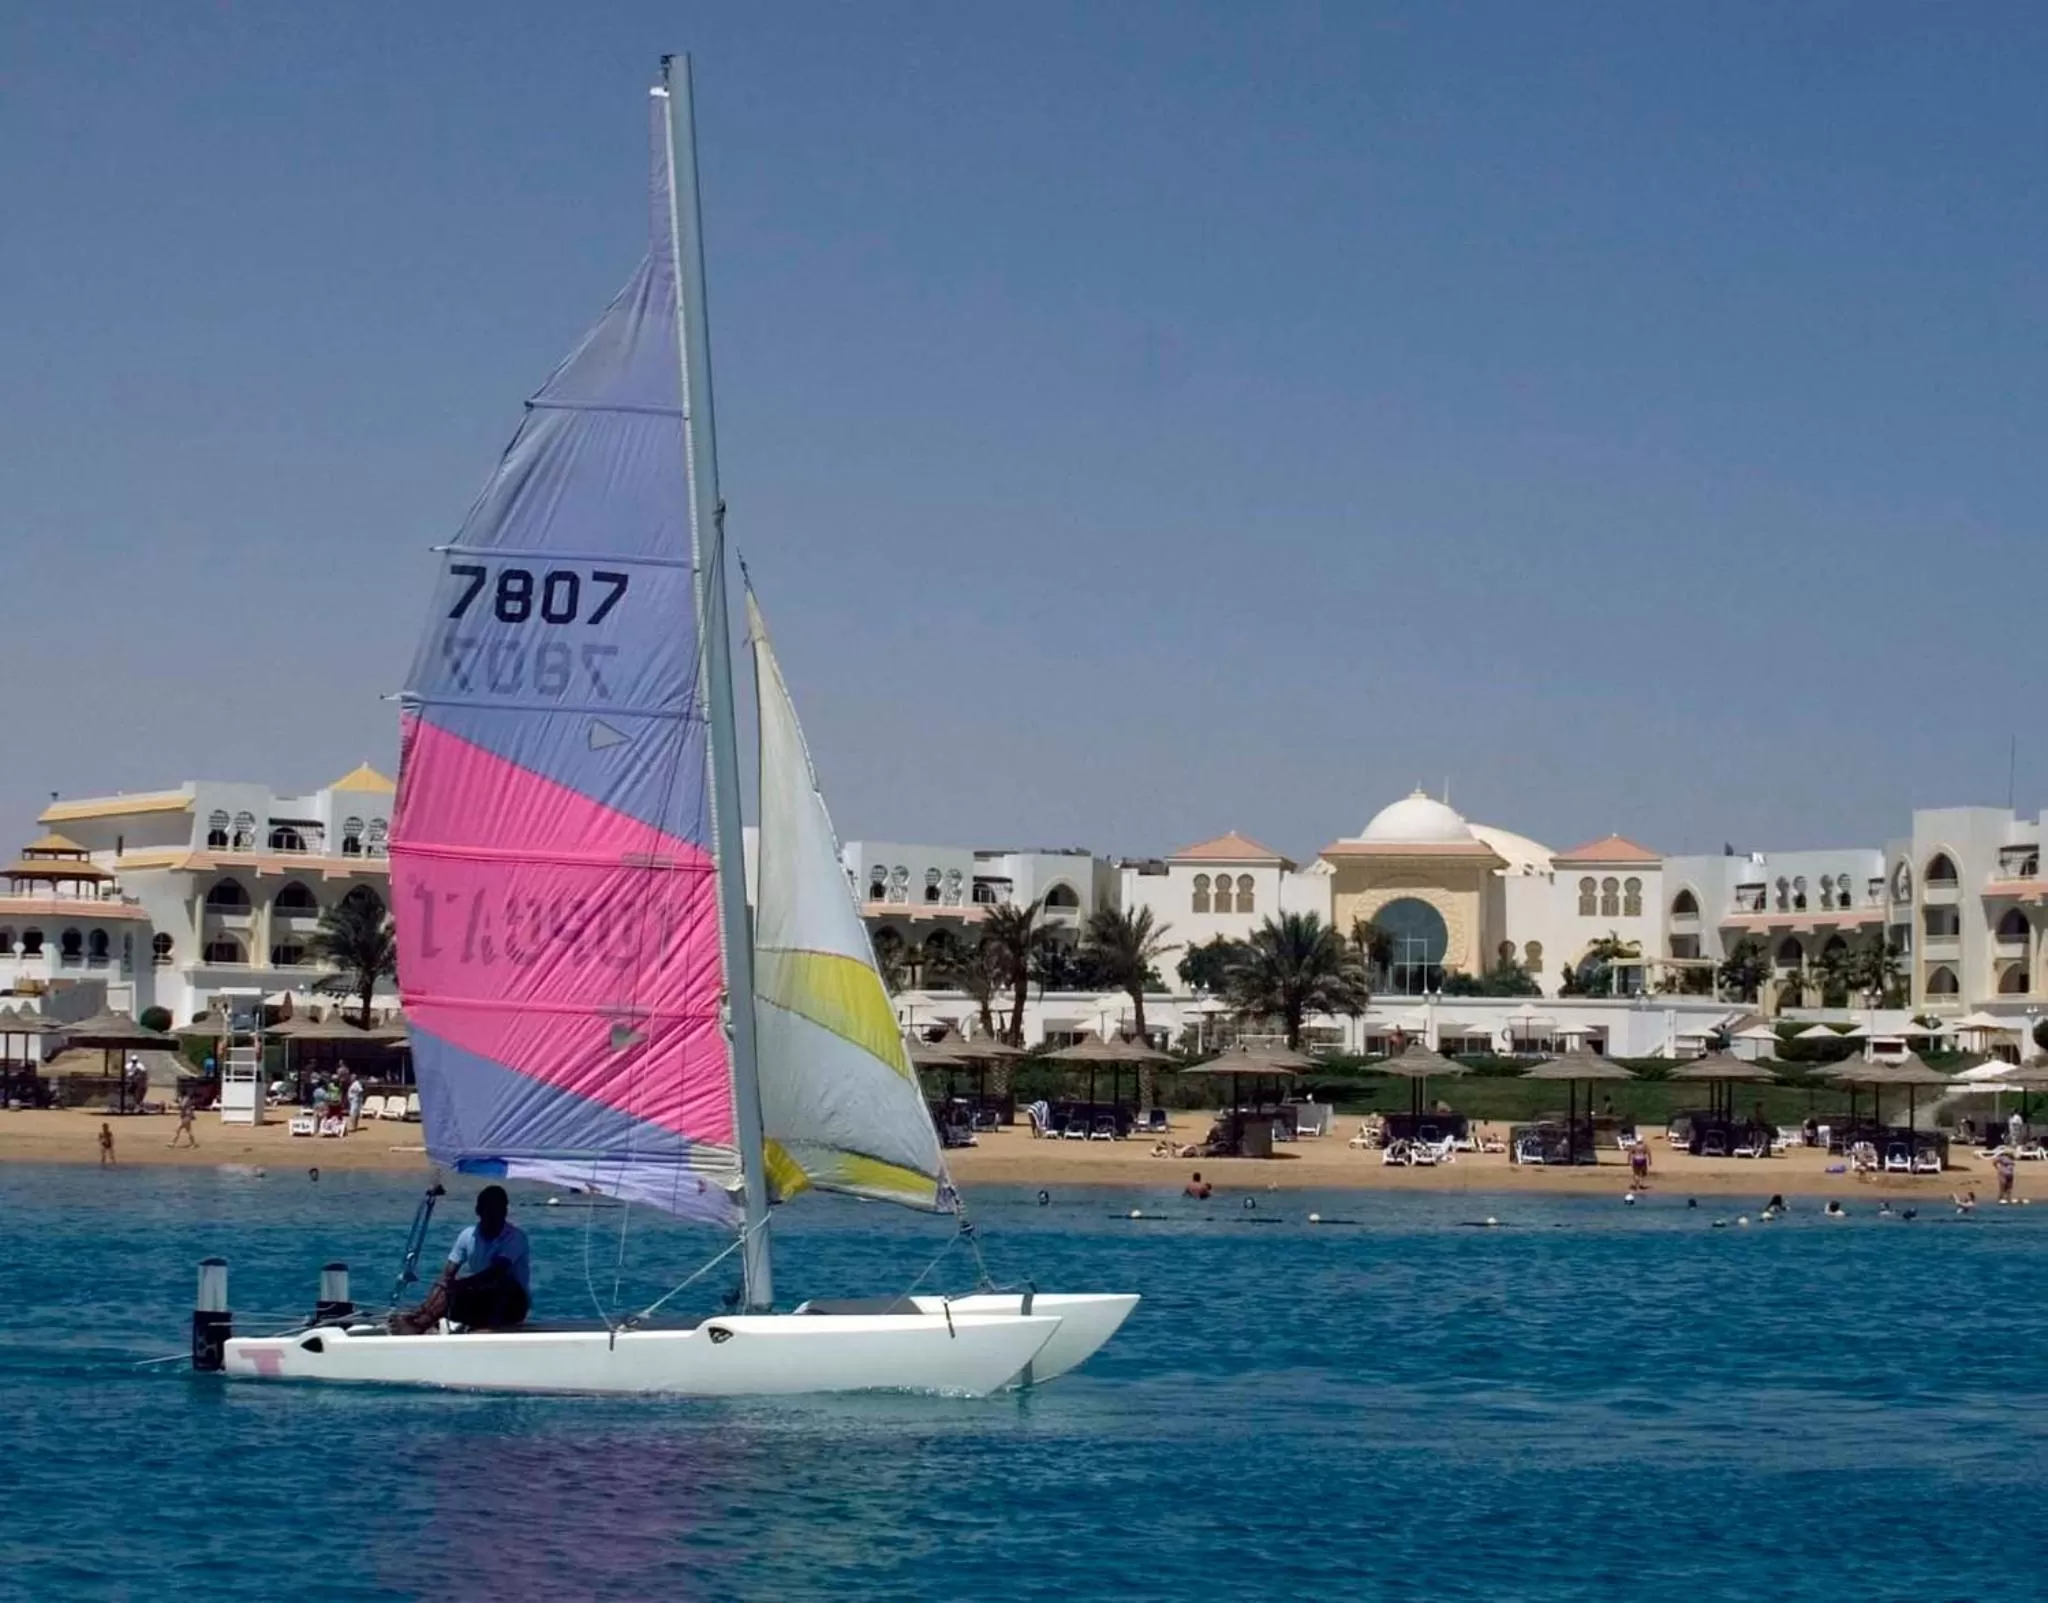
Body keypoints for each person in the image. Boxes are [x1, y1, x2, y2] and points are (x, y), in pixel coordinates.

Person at [389, 1185, 532, 1334]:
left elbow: (495, 1273)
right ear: (478, 1211)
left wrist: (458, 1286)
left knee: (502, 1282)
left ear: (505, 1211)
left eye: (499, 1210)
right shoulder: (467, 1235)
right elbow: (446, 1275)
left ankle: (421, 1324)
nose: (495, 1215)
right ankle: (421, 1321)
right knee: (447, 1286)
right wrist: (426, 1306)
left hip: (512, 1305)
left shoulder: (515, 1237)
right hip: (483, 1300)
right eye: (490, 1210)